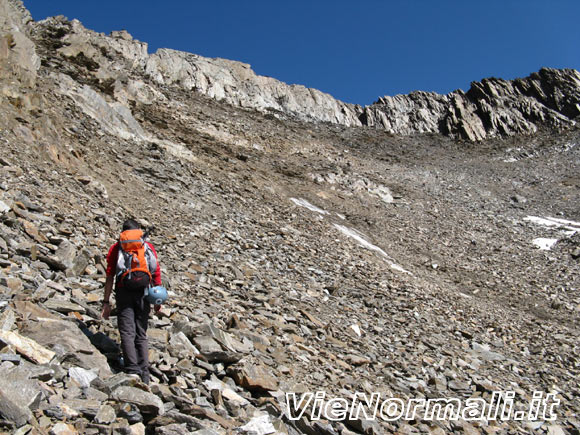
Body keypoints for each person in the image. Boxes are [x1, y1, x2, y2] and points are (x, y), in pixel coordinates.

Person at [101, 219, 161, 384]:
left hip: (124, 291)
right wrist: (158, 299)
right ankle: (145, 373)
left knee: (127, 331)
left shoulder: (117, 247)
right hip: (144, 291)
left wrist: (106, 302)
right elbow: (155, 272)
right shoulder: (147, 247)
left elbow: (109, 275)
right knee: (141, 332)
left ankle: (132, 369)